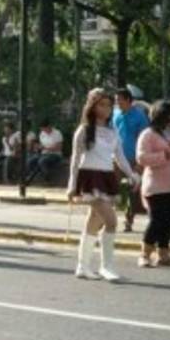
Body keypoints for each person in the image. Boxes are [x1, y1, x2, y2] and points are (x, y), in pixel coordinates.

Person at [67, 88, 138, 281]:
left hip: (107, 177)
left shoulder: (112, 131)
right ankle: (106, 266)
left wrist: (131, 175)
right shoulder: (84, 130)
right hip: (89, 177)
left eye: (109, 105)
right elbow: (75, 159)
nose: (106, 109)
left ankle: (82, 266)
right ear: (92, 106)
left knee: (94, 220)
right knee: (111, 221)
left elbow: (120, 156)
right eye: (102, 105)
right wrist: (72, 185)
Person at [135, 100, 170, 269]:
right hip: (155, 186)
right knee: (157, 221)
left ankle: (163, 254)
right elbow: (142, 158)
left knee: (168, 221)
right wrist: (166, 155)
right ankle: (144, 254)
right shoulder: (148, 134)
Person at [112, 89, 149, 232]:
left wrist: (140, 163)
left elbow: (144, 138)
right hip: (116, 158)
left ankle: (129, 220)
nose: (117, 103)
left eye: (119, 100)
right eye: (116, 100)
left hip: (133, 158)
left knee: (132, 190)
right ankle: (109, 218)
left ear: (128, 100)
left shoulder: (140, 116)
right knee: (112, 188)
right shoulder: (115, 114)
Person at [25, 121, 64, 186]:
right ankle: (31, 177)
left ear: (49, 126)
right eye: (42, 129)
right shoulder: (42, 134)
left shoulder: (57, 133)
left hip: (55, 154)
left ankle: (46, 178)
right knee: (31, 160)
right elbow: (41, 145)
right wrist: (37, 147)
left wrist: (46, 148)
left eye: (44, 129)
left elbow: (59, 147)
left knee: (42, 161)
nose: (44, 131)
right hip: (44, 154)